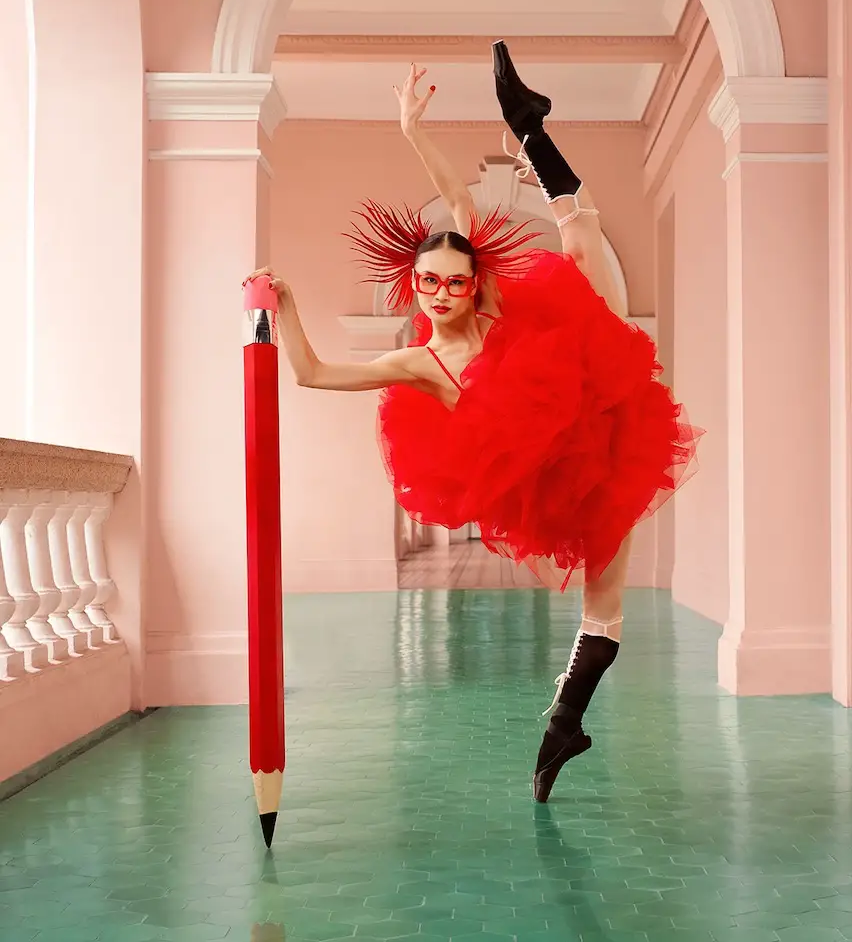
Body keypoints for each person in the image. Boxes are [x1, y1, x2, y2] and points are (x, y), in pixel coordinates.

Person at [254, 43, 702, 803]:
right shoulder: (421, 363)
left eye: (454, 283)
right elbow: (314, 373)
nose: (440, 293)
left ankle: (565, 725)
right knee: (583, 247)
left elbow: (458, 210)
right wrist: (284, 307)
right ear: (414, 285)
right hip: (552, 482)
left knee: (581, 240)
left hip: (598, 439)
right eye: (428, 282)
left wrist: (413, 134)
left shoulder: (491, 310)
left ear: (469, 287)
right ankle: (529, 128)